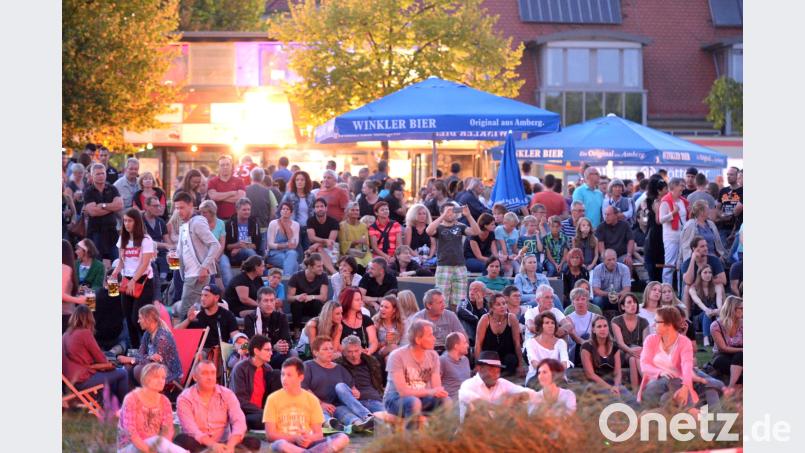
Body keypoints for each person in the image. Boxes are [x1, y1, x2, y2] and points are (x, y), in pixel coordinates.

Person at [264, 357, 350, 452]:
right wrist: (295, 438)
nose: (284, 379)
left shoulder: (312, 399)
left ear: (300, 377)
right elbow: (270, 436)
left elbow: (318, 434)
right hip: (287, 443)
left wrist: (308, 438)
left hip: (308, 443)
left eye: (289, 375)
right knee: (280, 444)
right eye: (282, 374)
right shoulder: (272, 399)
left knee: (342, 437)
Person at [638, 306, 717, 410]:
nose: (653, 325)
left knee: (712, 385)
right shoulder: (650, 340)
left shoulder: (684, 341)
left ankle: (714, 417)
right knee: (668, 385)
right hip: (657, 379)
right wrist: (660, 372)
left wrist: (685, 387)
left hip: (680, 378)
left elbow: (686, 366)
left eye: (657, 322)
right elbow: (644, 365)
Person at [175, 360, 261, 452]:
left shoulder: (227, 394)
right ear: (195, 377)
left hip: (224, 443)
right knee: (182, 440)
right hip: (199, 443)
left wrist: (231, 444)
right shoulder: (185, 398)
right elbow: (191, 429)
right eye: (205, 373)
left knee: (253, 442)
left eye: (213, 373)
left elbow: (239, 421)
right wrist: (213, 445)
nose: (210, 377)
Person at [302, 337, 376, 432]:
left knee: (341, 390)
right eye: (325, 349)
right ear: (315, 352)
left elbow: (352, 387)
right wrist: (321, 403)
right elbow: (304, 388)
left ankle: (364, 420)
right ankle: (331, 424)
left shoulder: (340, 368)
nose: (329, 352)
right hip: (316, 405)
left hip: (337, 406)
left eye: (331, 348)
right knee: (319, 413)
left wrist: (355, 392)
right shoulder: (307, 366)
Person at [384, 319, 450, 423]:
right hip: (395, 399)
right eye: (430, 335)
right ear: (418, 339)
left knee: (446, 401)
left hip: (422, 397)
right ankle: (412, 433)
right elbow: (403, 392)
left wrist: (439, 392)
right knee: (414, 402)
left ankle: (443, 433)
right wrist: (431, 391)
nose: (434, 338)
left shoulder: (433, 356)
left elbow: (436, 387)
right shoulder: (397, 356)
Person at [63, 305, 130, 406]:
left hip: (71, 381)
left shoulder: (65, 335)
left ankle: (111, 405)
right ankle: (126, 407)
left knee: (113, 374)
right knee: (122, 373)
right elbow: (101, 359)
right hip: (83, 380)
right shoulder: (84, 333)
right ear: (89, 318)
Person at [112, 208, 156, 349]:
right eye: (125, 221)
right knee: (128, 318)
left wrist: (133, 281)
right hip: (127, 279)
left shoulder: (145, 239)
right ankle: (136, 349)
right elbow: (121, 261)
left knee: (137, 318)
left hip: (143, 280)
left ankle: (149, 345)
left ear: (137, 222)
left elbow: (145, 263)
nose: (126, 224)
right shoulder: (122, 239)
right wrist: (113, 274)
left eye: (130, 221)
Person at [174, 191, 221, 320]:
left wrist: (204, 268)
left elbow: (215, 245)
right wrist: (172, 259)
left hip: (197, 276)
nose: (179, 211)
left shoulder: (197, 223)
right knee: (193, 315)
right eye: (177, 208)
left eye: (182, 207)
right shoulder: (184, 225)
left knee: (186, 315)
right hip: (188, 275)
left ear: (191, 205)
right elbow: (181, 253)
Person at [117, 363, 184, 453]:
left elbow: (167, 431)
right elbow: (130, 433)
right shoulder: (132, 399)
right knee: (159, 442)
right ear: (145, 378)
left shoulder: (164, 401)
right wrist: (150, 450)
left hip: (154, 445)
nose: (161, 381)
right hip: (130, 446)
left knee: (162, 443)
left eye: (163, 378)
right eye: (156, 377)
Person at [458, 350, 537, 422]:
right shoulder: (468, 385)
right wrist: (500, 408)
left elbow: (530, 393)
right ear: (480, 369)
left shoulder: (502, 383)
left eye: (498, 371)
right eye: (492, 370)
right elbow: (473, 400)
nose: (496, 375)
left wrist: (517, 397)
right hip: (472, 431)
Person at [117, 304, 182, 385]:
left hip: (168, 374)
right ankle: (135, 392)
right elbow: (141, 354)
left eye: (140, 318)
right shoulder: (147, 334)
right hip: (153, 368)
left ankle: (148, 392)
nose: (138, 321)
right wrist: (130, 359)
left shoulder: (162, 337)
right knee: (128, 367)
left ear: (148, 319)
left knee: (138, 369)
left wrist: (131, 359)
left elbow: (155, 362)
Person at [230, 334, 284, 430]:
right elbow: (240, 401)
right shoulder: (240, 368)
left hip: (265, 411)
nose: (271, 353)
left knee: (277, 374)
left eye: (271, 350)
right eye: (267, 350)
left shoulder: (267, 368)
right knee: (264, 419)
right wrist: (264, 412)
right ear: (256, 351)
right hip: (246, 412)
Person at [580, 317, 636, 404]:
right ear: (593, 330)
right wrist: (610, 388)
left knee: (633, 401)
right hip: (595, 384)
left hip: (613, 383)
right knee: (615, 401)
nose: (603, 329)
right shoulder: (586, 347)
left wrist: (616, 386)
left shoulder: (614, 346)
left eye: (605, 326)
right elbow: (590, 374)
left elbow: (617, 372)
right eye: (599, 326)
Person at [335, 335, 386, 418]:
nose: (353, 354)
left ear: (361, 349)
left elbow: (380, 383)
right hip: (351, 401)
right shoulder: (338, 365)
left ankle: (368, 417)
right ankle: (367, 416)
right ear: (343, 352)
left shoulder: (371, 361)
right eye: (349, 352)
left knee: (389, 418)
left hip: (371, 398)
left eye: (356, 351)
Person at [475, 293, 525, 377]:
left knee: (511, 360)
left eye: (504, 303)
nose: (502, 306)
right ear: (492, 308)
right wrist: (477, 365)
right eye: (498, 304)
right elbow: (478, 344)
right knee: (487, 362)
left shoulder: (511, 318)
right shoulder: (485, 319)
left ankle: (502, 373)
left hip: (507, 356)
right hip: (490, 355)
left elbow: (517, 343)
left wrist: (520, 365)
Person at [176, 285, 240, 349]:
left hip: (219, 351)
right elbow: (175, 334)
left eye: (206, 295)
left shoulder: (227, 315)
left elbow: (235, 335)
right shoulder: (195, 314)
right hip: (198, 351)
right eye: (202, 295)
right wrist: (188, 320)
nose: (202, 298)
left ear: (216, 297)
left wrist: (242, 345)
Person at [84, 163, 124, 264]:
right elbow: (93, 212)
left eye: (103, 173)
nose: (101, 176)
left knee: (117, 261)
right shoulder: (88, 191)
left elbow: (120, 205)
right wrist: (112, 207)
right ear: (92, 175)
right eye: (98, 174)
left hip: (112, 231)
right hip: (95, 232)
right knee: (97, 263)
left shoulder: (112, 189)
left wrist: (103, 205)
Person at [243, 287, 293, 368]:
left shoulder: (281, 317)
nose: (269, 304)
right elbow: (251, 344)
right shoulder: (250, 318)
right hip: (259, 355)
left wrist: (284, 346)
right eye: (265, 301)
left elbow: (288, 341)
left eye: (272, 300)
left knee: (292, 354)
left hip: (275, 355)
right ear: (258, 302)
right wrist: (273, 347)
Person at [406, 289, 466, 354]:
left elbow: (463, 336)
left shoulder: (450, 316)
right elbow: (413, 342)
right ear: (429, 305)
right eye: (440, 302)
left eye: (443, 302)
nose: (444, 305)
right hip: (426, 352)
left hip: (448, 353)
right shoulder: (418, 318)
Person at [611, 293, 650, 391]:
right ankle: (649, 384)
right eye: (629, 302)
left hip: (638, 353)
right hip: (623, 352)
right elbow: (620, 343)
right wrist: (631, 350)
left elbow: (646, 344)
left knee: (633, 359)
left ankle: (636, 392)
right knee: (634, 355)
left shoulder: (644, 321)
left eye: (635, 302)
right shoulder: (616, 321)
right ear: (623, 306)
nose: (633, 305)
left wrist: (637, 351)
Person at [524, 311, 571, 386]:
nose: (551, 325)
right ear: (540, 326)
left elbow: (564, 363)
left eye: (553, 323)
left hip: (557, 376)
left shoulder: (561, 342)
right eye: (547, 323)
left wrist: (553, 373)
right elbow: (534, 362)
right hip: (537, 376)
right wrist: (547, 372)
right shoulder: (531, 342)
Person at [287, 254, 329, 331]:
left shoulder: (323, 276)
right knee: (296, 303)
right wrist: (297, 297)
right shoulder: (296, 276)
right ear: (310, 267)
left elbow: (324, 297)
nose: (321, 269)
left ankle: (317, 330)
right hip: (300, 307)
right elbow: (289, 298)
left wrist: (311, 297)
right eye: (318, 266)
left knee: (318, 303)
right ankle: (297, 332)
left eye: (322, 266)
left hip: (314, 307)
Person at [659, 177, 689, 284]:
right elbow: (661, 219)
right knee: (669, 265)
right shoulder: (665, 201)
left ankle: (681, 290)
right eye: (681, 185)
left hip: (684, 236)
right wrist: (673, 213)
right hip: (671, 237)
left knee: (682, 264)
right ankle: (666, 289)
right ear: (674, 186)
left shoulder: (683, 201)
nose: (683, 188)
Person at [710, 296, 743, 392]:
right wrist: (742, 349)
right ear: (732, 309)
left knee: (740, 356)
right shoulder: (716, 325)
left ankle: (730, 388)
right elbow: (723, 348)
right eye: (741, 308)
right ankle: (734, 388)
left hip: (740, 355)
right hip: (722, 355)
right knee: (737, 358)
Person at [680, 200, 726, 265]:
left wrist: (721, 255)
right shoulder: (690, 225)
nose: (709, 211)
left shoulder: (711, 224)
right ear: (701, 212)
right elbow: (686, 247)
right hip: (698, 260)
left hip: (714, 258)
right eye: (707, 209)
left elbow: (718, 243)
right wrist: (690, 262)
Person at [640, 176, 668, 282]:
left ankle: (654, 283)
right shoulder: (653, 202)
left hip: (654, 234)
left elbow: (644, 220)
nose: (667, 191)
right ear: (659, 190)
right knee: (658, 262)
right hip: (657, 234)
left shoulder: (646, 202)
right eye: (665, 188)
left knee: (655, 263)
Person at [689, 265, 724, 349]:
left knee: (718, 315)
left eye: (710, 272)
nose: (708, 275)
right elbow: (698, 302)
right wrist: (707, 310)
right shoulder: (693, 289)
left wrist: (718, 310)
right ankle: (706, 338)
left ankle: (714, 340)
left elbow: (719, 300)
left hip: (714, 314)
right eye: (705, 272)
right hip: (699, 318)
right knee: (706, 314)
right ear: (700, 274)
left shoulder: (717, 286)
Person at [281, 171, 317, 250]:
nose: (299, 182)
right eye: (297, 180)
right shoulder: (288, 196)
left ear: (306, 181)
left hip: (308, 228)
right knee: (297, 252)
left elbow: (315, 213)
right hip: (293, 228)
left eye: (302, 180)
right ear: (294, 182)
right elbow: (280, 212)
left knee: (307, 251)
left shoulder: (311, 196)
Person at [224, 197, 263, 267]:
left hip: (250, 252)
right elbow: (226, 246)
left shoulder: (254, 223)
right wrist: (237, 245)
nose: (247, 212)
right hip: (233, 255)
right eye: (244, 210)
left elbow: (256, 245)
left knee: (250, 252)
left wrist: (239, 248)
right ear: (237, 210)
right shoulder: (229, 224)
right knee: (252, 254)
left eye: (249, 209)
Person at [198, 200, 229, 288]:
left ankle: (228, 291)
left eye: (204, 212)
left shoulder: (220, 223)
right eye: (201, 212)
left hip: (218, 254)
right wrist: (210, 258)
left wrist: (215, 257)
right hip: (203, 255)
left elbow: (222, 244)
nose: (202, 215)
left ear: (212, 212)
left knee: (225, 267)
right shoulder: (199, 224)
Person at [339, 288, 379, 355]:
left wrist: (369, 351)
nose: (361, 302)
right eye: (357, 300)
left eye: (361, 299)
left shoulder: (366, 319)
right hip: (344, 355)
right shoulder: (339, 320)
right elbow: (335, 343)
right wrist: (353, 352)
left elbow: (373, 342)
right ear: (348, 301)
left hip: (365, 354)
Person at [266, 201, 301, 276]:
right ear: (280, 211)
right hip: (274, 254)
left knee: (293, 253)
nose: (285, 211)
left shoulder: (296, 225)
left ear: (291, 213)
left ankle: (286, 278)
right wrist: (286, 245)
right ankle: (287, 279)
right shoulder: (273, 223)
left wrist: (286, 227)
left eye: (287, 209)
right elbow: (270, 244)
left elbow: (294, 245)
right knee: (294, 264)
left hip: (289, 253)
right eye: (283, 209)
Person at [306, 198, 340, 275]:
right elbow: (311, 238)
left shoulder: (334, 222)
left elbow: (331, 241)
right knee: (318, 250)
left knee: (318, 249)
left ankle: (333, 272)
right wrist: (324, 241)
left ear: (326, 208)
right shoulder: (310, 221)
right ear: (314, 209)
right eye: (317, 207)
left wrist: (317, 244)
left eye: (322, 206)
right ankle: (334, 272)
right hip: (315, 249)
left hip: (331, 247)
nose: (320, 209)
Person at [208, 155, 246, 220]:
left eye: (227, 164)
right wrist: (232, 193)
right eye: (222, 165)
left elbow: (240, 198)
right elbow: (213, 197)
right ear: (218, 167)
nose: (225, 167)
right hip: (217, 219)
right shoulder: (212, 182)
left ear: (231, 166)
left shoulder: (239, 181)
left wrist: (220, 197)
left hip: (235, 219)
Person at [338, 201, 372, 272]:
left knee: (370, 264)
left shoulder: (363, 226)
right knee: (357, 264)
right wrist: (356, 242)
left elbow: (365, 244)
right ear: (347, 212)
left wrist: (363, 251)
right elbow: (342, 245)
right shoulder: (342, 226)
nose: (355, 212)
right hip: (349, 254)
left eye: (357, 210)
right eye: (352, 210)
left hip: (362, 253)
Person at [565, 288, 596, 365]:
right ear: (573, 302)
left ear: (587, 301)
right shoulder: (568, 318)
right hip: (576, 350)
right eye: (577, 299)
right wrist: (586, 344)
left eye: (583, 299)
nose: (580, 302)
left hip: (593, 347)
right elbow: (575, 337)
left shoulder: (595, 317)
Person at [716, 166, 743, 248]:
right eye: (727, 174)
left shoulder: (742, 190)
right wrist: (721, 216)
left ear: (737, 176)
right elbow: (717, 208)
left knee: (734, 252)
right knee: (722, 250)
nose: (728, 176)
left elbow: (738, 210)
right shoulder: (723, 191)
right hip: (723, 226)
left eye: (731, 174)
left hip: (737, 227)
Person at [372, 295, 405, 361]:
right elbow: (371, 344)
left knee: (388, 358)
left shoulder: (400, 324)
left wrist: (396, 339)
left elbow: (404, 343)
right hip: (379, 352)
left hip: (394, 352)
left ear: (394, 310)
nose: (382, 309)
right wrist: (385, 342)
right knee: (393, 346)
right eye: (381, 306)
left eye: (386, 307)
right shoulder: (375, 322)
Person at [440, 332, 471, 400]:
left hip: (467, 398)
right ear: (456, 346)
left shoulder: (465, 360)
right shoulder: (442, 360)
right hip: (451, 400)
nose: (468, 345)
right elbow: (436, 386)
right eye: (465, 343)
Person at [246, 167, 277, 232]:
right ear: (263, 178)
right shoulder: (268, 192)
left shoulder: (244, 191)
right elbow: (273, 213)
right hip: (263, 228)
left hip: (246, 227)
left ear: (251, 177)